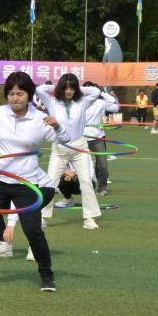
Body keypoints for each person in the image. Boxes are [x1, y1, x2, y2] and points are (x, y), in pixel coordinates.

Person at [0, 71, 71, 292]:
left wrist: (58, 126)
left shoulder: (40, 119)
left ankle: (46, 276)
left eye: (20, 93)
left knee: (33, 230)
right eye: (11, 94)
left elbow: (66, 139)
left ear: (29, 94)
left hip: (26, 183)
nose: (15, 98)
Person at [37, 73, 109, 230]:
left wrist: (79, 87)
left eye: (72, 88)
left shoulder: (82, 101)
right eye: (66, 87)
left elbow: (96, 92)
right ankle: (42, 216)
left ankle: (89, 217)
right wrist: (55, 87)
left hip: (80, 146)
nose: (69, 91)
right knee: (50, 182)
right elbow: (39, 90)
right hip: (59, 148)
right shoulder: (52, 101)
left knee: (86, 182)